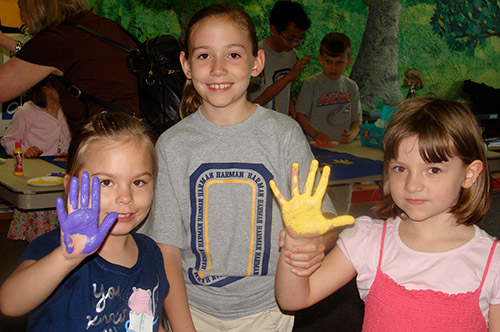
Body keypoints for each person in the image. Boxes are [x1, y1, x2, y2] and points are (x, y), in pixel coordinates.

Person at [140, 4, 336, 331]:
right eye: (204, 56)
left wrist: (317, 243)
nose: (218, 69)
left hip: (269, 309)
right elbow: (166, 250)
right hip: (193, 309)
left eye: (233, 55)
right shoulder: (172, 146)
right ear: (186, 66)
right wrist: (182, 326)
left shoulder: (284, 135)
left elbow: (322, 219)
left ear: (257, 62)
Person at [274, 97, 500, 331]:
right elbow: (294, 299)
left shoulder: (493, 263)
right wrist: (296, 244)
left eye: (433, 170)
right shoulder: (369, 240)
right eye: (400, 169)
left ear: (469, 174)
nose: (413, 184)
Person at [0, 113, 169, 332]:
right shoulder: (56, 249)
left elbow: (152, 321)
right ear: (72, 187)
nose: (126, 196)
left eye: (138, 182)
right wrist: (65, 258)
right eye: (107, 182)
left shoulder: (150, 252)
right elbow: (10, 303)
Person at [0, 0, 140, 133]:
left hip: (109, 141)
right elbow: (40, 58)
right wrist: (7, 42)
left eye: (21, 8)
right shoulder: (104, 27)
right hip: (140, 137)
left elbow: (3, 87)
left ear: (35, 7)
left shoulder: (57, 40)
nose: (21, 18)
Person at [295, 32, 362, 215]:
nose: (333, 67)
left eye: (339, 63)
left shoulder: (351, 86)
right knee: (315, 206)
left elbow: (358, 119)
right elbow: (300, 115)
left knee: (340, 208)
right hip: (316, 154)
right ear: (320, 59)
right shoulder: (311, 84)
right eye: (328, 62)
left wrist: (353, 133)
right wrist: (315, 133)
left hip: (343, 157)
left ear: (348, 61)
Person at [247, 0, 311, 118]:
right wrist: (289, 77)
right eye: (291, 38)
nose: (295, 44)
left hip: (279, 124)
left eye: (299, 38)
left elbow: (285, 90)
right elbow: (254, 104)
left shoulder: (291, 55)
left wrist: (290, 106)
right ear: (274, 30)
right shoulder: (256, 56)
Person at [1, 78, 70, 158]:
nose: (66, 92)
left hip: (62, 165)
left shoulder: (69, 110)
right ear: (46, 90)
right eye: (62, 88)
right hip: (35, 166)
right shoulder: (27, 111)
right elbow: (8, 141)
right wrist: (25, 151)